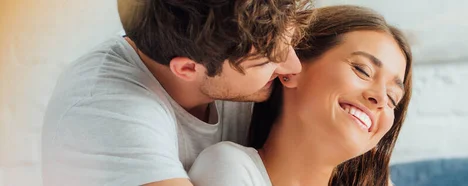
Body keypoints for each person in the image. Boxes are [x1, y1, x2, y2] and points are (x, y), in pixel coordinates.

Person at [41, 0, 311, 185]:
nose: (294, 66)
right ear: (187, 69)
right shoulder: (103, 114)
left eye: (292, 41)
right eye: (267, 61)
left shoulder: (231, 49)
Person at [188, 5, 413, 186]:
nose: (382, 99)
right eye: (363, 70)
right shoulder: (231, 167)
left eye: (393, 98)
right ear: (292, 68)